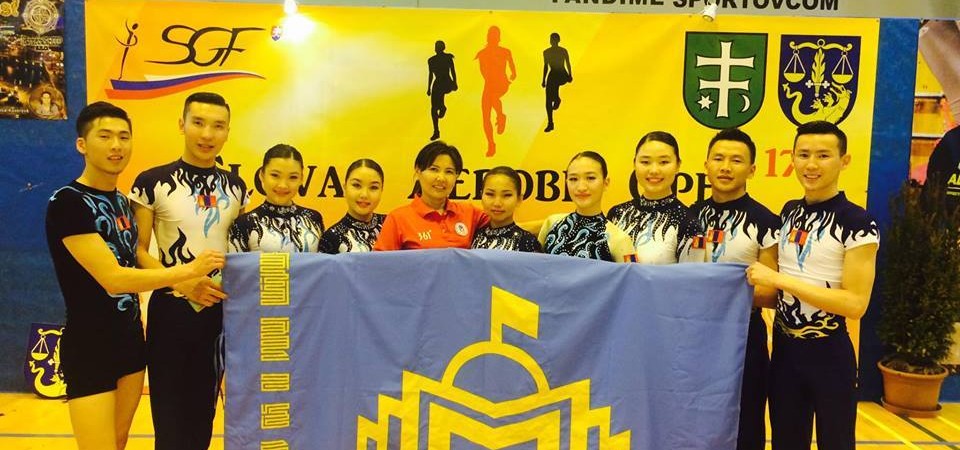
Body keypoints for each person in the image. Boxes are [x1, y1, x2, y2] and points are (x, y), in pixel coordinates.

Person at [45, 101, 224, 450]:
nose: (116, 146)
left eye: (123, 137)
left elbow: (136, 258)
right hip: (90, 344)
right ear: (82, 144)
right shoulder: (67, 202)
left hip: (129, 342)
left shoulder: (123, 203)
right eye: (105, 136)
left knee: (118, 441)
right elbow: (113, 278)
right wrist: (187, 272)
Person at [746, 121, 879, 450]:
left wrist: (779, 280)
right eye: (803, 155)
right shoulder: (789, 212)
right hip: (785, 353)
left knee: (836, 443)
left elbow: (855, 304)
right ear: (792, 158)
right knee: (786, 442)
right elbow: (775, 292)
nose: (811, 164)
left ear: (844, 161)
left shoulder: (858, 222)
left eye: (823, 155)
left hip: (829, 353)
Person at [129, 92, 247, 450]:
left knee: (203, 415)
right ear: (182, 124)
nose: (207, 134)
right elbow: (138, 251)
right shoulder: (151, 181)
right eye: (198, 123)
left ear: (228, 132)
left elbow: (241, 251)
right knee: (169, 417)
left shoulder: (237, 188)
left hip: (219, 314)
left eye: (218, 126)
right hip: (171, 311)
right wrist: (184, 283)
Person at [682, 128, 779, 450]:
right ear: (706, 165)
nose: (725, 167)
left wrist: (719, 294)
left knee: (746, 421)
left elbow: (771, 292)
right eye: (719, 159)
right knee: (690, 418)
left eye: (736, 160)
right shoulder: (688, 217)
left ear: (752, 169)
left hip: (743, 336)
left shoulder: (766, 221)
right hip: (693, 334)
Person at [608, 131, 703, 264]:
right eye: (645, 162)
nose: (654, 170)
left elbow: (694, 275)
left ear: (678, 165)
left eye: (663, 162)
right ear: (634, 163)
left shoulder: (690, 223)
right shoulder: (617, 214)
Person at [374, 141, 487, 250]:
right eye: (434, 169)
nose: (441, 178)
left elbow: (497, 219)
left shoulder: (469, 213)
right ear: (418, 171)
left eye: (449, 171)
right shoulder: (398, 219)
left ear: (456, 176)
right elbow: (380, 261)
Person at [539, 151, 635, 262]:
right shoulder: (551, 223)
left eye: (590, 178)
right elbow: (534, 267)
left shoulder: (621, 240)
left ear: (606, 183)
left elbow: (633, 272)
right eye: (573, 179)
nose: (581, 187)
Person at [229, 144, 323, 252]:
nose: (283, 185)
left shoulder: (313, 218)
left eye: (293, 177)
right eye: (275, 175)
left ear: (301, 179)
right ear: (262, 175)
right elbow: (237, 262)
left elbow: (323, 261)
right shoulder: (244, 223)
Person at [321, 159, 386, 253]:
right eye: (356, 185)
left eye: (373, 187)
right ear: (345, 188)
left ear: (381, 190)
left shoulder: (390, 224)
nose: (364, 194)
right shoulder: (332, 237)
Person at [471, 166, 541, 252]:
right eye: (490, 194)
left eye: (507, 195)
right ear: (481, 196)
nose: (497, 203)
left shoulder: (528, 242)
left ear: (519, 199)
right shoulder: (471, 235)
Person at [475, 26, 516, 157]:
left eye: (494, 35)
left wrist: (513, 74)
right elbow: (482, 70)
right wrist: (490, 79)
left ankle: (500, 116)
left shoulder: (505, 52)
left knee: (493, 97)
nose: (492, 37)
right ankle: (491, 144)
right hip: (489, 85)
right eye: (490, 35)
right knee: (485, 116)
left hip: (502, 83)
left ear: (498, 37)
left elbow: (512, 66)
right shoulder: (482, 53)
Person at [541, 32, 572, 133]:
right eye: (551, 39)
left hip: (562, 74)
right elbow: (546, 66)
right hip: (552, 75)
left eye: (554, 39)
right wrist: (543, 80)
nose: (552, 41)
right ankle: (550, 123)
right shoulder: (546, 52)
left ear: (557, 40)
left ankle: (556, 98)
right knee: (548, 100)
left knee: (553, 86)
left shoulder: (563, 51)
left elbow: (568, 63)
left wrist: (570, 75)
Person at [427, 40, 457, 141]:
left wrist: (455, 82)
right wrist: (429, 88)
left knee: (439, 98)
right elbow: (430, 75)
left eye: (438, 46)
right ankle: (436, 131)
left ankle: (442, 107)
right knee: (433, 109)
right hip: (438, 83)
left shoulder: (448, 58)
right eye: (436, 46)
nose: (436, 48)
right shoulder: (431, 60)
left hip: (446, 82)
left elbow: (453, 71)